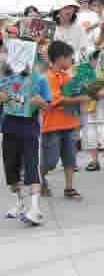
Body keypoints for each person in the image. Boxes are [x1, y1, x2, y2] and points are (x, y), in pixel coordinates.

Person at [1, 66, 51, 225]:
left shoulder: (39, 78)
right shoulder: (5, 76)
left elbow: (48, 106)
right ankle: (19, 203)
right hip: (9, 128)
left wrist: (40, 102)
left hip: (30, 129)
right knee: (10, 168)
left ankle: (35, 209)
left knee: (32, 167)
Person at [40, 41, 91, 199]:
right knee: (50, 161)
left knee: (70, 158)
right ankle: (40, 178)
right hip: (52, 126)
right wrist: (80, 98)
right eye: (69, 58)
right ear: (60, 58)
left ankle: (69, 188)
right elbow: (56, 100)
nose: (71, 61)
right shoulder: (47, 77)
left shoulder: (67, 76)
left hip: (70, 123)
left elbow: (73, 94)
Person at [82, 51, 104, 171]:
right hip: (89, 111)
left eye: (98, 59)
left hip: (102, 111)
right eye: (94, 59)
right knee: (90, 135)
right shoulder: (84, 74)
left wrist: (96, 93)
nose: (95, 62)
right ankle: (95, 161)